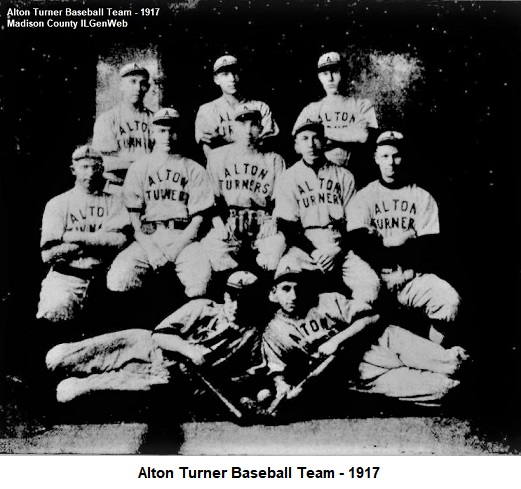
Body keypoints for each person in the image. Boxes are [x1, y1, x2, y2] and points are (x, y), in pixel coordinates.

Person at [46, 271, 265, 404]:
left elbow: (250, 373)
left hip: (167, 375)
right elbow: (160, 335)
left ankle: (68, 388)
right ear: (225, 295)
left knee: (70, 392)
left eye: (244, 300)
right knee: (57, 358)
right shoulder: (203, 307)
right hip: (144, 345)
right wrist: (190, 350)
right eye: (232, 297)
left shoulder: (251, 335)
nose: (236, 306)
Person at [345, 130, 461, 344]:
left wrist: (389, 249)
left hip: (410, 276)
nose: (391, 162)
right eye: (385, 156)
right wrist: (405, 238)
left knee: (449, 300)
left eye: (397, 155)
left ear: (404, 158)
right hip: (375, 276)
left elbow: (429, 247)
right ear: (376, 158)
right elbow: (361, 244)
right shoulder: (364, 196)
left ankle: (432, 353)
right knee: (362, 309)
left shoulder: (422, 196)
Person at [106, 108, 214, 298]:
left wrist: (173, 251)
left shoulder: (195, 169)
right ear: (152, 133)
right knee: (119, 277)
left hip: (184, 237)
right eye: (162, 131)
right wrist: (151, 250)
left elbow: (198, 221)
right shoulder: (139, 168)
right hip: (148, 237)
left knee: (200, 281)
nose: (168, 136)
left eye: (173, 131)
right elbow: (134, 219)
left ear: (179, 133)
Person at [273, 118, 375, 298]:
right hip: (304, 245)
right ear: (296, 146)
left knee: (372, 286)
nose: (311, 144)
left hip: (339, 243)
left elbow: (356, 224)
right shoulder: (288, 178)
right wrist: (315, 252)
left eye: (316, 138)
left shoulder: (344, 175)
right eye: (304, 138)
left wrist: (337, 250)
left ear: (325, 142)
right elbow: (288, 227)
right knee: (285, 281)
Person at [261, 261, 380, 408]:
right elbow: (276, 367)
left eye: (298, 288)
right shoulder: (273, 330)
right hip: (355, 373)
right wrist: (282, 386)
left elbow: (373, 316)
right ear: (273, 294)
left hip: (375, 347)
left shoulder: (327, 300)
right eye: (286, 289)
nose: (293, 296)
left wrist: (336, 341)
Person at [37, 145, 130, 323]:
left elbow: (120, 241)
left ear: (102, 169)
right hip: (65, 279)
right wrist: (100, 241)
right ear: (74, 170)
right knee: (55, 311)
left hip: (101, 280)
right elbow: (48, 255)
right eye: (84, 167)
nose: (90, 173)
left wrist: (74, 238)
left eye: (95, 167)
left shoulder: (115, 202)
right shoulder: (58, 204)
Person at [202, 104, 286, 273]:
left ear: (261, 128)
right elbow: (210, 198)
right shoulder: (217, 157)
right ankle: (233, 287)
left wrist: (274, 220)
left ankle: (260, 287)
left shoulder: (274, 159)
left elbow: (283, 199)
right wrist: (217, 222)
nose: (248, 130)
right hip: (230, 219)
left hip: (263, 220)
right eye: (241, 123)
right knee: (211, 247)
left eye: (253, 124)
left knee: (277, 247)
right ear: (232, 127)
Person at [294, 51, 378, 168]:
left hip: (356, 170)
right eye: (325, 74)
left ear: (344, 73)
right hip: (321, 173)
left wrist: (322, 133)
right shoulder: (312, 109)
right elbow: (299, 145)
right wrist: (350, 133)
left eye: (335, 72)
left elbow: (363, 136)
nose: (330, 78)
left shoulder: (361, 105)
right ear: (319, 77)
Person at [195, 55, 279, 159]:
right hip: (224, 172)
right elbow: (211, 156)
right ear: (216, 79)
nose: (232, 79)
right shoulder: (207, 110)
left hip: (257, 170)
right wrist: (250, 140)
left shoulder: (260, 107)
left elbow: (268, 148)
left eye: (235, 73)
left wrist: (224, 140)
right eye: (225, 74)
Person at [92, 62, 155, 193]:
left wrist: (127, 161)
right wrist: (143, 163)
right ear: (121, 85)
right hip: (117, 189)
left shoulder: (155, 120)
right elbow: (105, 163)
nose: (137, 88)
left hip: (148, 189)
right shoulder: (107, 119)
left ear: (147, 87)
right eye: (132, 82)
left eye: (142, 83)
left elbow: (163, 160)